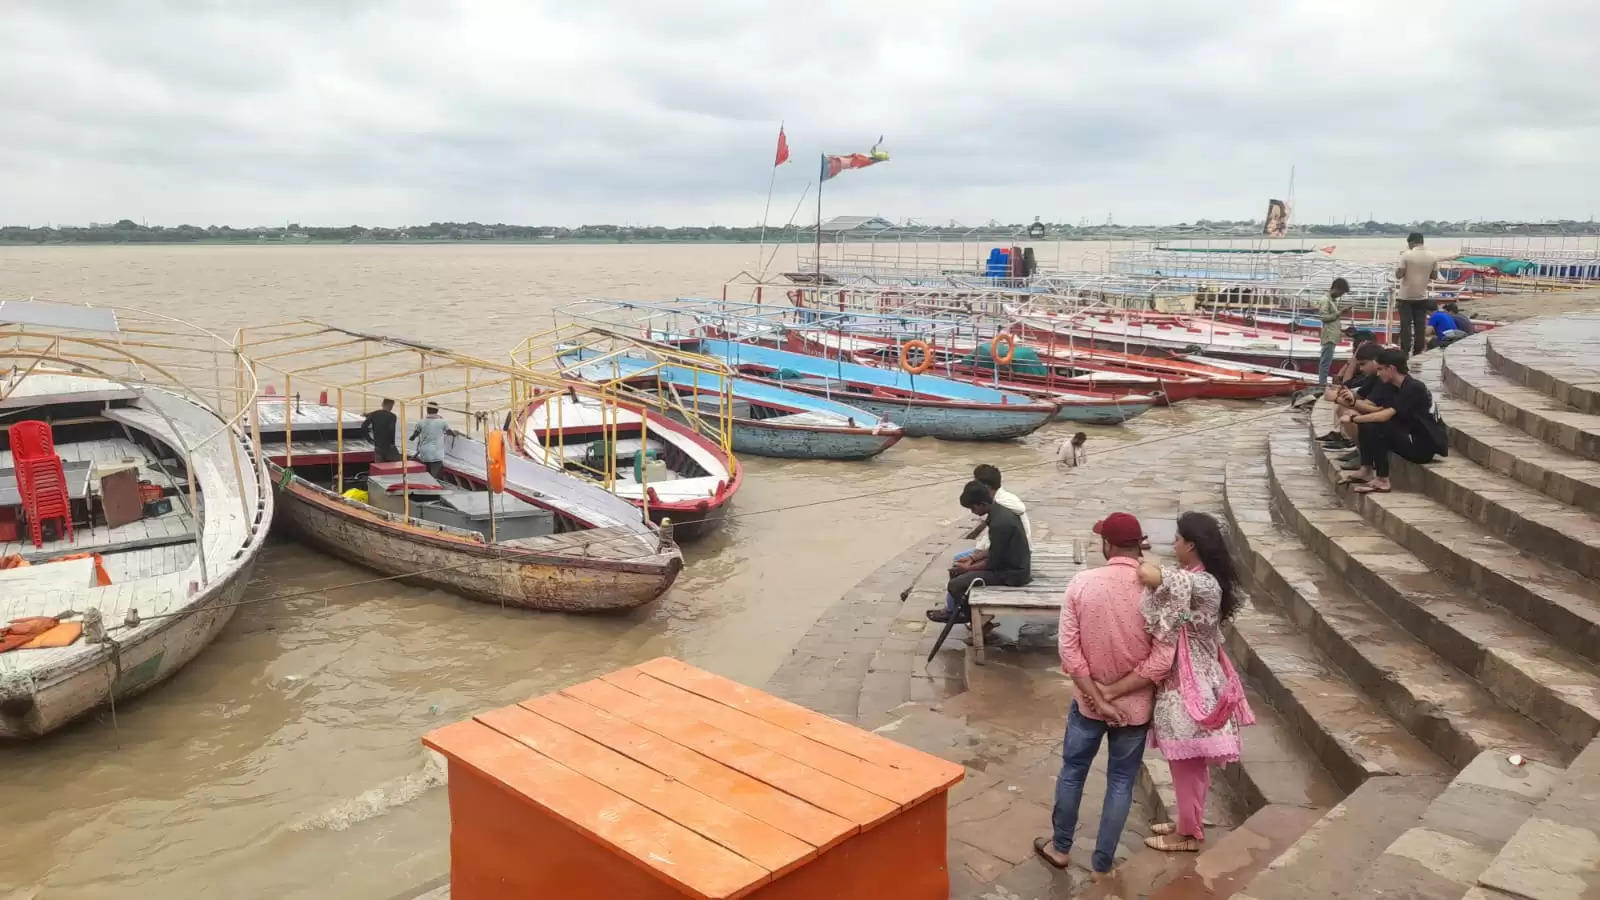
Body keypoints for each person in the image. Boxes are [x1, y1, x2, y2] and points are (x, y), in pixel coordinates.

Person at [1096, 511, 1253, 853]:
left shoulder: (1204, 583)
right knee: (1189, 762)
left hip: (1191, 682)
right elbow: (1178, 615)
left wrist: (1144, 564)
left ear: (1192, 544)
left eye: (1179, 539)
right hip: (1185, 676)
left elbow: (1154, 576)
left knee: (1186, 762)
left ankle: (1188, 834)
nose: (1175, 544)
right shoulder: (1193, 580)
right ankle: (1188, 820)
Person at [1033, 512, 1173, 877]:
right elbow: (1162, 659)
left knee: (1073, 772)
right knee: (1121, 781)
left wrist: (1098, 696)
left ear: (1107, 545)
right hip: (1135, 711)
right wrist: (1114, 695)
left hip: (1087, 703)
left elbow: (1069, 652)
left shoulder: (1082, 583)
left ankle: (1060, 847)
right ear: (1139, 544)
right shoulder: (1157, 589)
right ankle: (1102, 861)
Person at [1338, 348, 1443, 494]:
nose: (1378, 373)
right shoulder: (1394, 386)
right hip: (1407, 435)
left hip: (1421, 447)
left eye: (1381, 369)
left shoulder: (1413, 387)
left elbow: (1384, 416)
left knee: (1375, 425)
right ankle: (1366, 469)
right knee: (1369, 424)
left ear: (1391, 368)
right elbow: (1377, 409)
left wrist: (1353, 418)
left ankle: (1382, 479)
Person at [928, 480, 1031, 626]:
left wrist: (968, 568)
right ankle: (964, 612)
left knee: (955, 585)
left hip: (1013, 574)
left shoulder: (1000, 522)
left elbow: (993, 562)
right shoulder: (998, 512)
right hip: (1008, 564)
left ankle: (972, 618)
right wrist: (971, 558)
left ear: (982, 504)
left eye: (972, 508)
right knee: (956, 570)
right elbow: (995, 548)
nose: (972, 512)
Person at [1395, 233, 1438, 357]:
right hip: (1421, 296)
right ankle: (1418, 351)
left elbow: (1399, 274)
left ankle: (1405, 351)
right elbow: (1434, 276)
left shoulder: (1406, 255)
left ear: (1412, 242)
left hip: (1405, 297)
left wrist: (1397, 270)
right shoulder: (1432, 256)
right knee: (1420, 326)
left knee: (1406, 325)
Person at [1315, 278, 1353, 390]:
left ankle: (1323, 383)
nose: (1340, 296)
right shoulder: (1325, 300)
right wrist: (1340, 312)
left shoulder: (1331, 301)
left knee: (1327, 360)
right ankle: (1322, 384)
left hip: (1332, 334)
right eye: (1341, 293)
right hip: (1329, 335)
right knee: (1325, 361)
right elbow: (1324, 318)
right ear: (1336, 288)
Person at [408, 403, 457, 478]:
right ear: (437, 410)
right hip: (436, 453)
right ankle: (434, 485)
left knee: (427, 473)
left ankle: (428, 484)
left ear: (427, 410)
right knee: (435, 476)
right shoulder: (442, 422)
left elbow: (413, 437)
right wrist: (455, 433)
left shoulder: (421, 422)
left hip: (424, 453)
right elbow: (450, 432)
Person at [362, 398, 401, 462]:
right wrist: (392, 443)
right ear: (391, 406)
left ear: (382, 404)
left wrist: (369, 439)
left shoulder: (374, 414)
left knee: (379, 466)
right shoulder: (392, 416)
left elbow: (364, 426)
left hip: (378, 445)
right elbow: (392, 430)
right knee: (396, 464)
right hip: (389, 446)